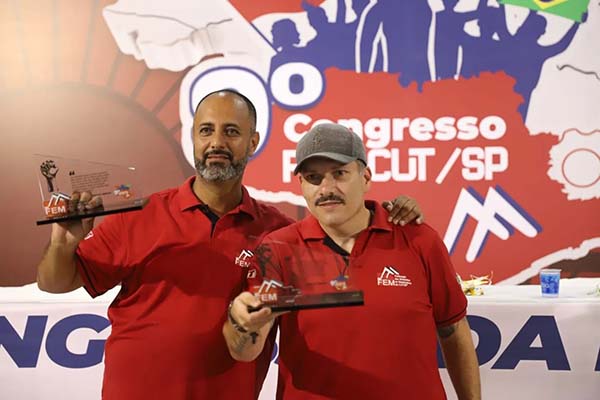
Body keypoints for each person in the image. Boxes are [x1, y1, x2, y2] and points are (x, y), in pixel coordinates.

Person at [36, 90, 425, 399]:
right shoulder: (139, 214)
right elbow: (55, 282)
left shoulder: (280, 233)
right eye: (206, 130)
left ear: (253, 141)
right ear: (192, 138)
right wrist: (63, 242)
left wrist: (390, 212)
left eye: (231, 132)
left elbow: (347, 245)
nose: (216, 142)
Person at [225, 123, 481, 399]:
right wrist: (242, 325)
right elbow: (246, 350)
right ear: (302, 185)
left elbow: (453, 329)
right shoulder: (277, 250)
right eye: (313, 177)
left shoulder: (419, 239)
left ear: (366, 177)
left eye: (339, 173)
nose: (326, 188)